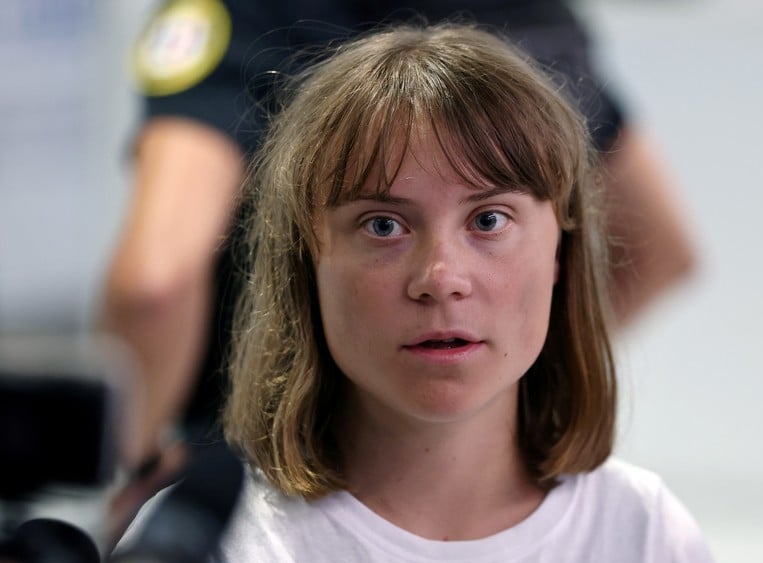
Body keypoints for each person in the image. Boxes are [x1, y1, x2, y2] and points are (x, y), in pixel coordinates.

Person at [102, 0, 696, 512]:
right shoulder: (535, 14)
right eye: (384, 225)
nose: (443, 279)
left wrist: (133, 474)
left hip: (251, 465)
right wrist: (494, 388)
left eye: (487, 220)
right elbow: (661, 252)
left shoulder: (246, 10)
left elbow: (155, 284)